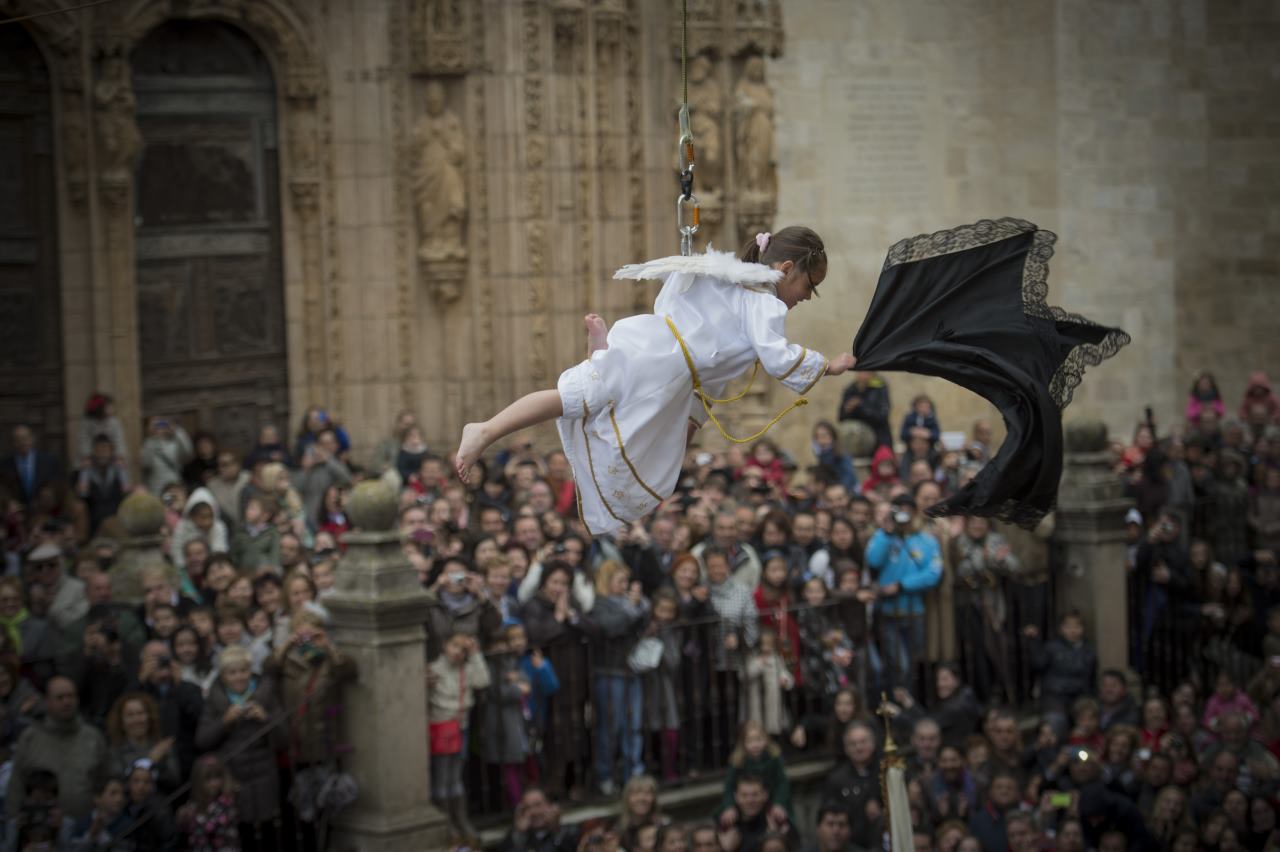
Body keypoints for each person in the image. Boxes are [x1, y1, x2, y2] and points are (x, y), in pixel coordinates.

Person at [454, 228, 856, 535]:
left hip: (665, 358)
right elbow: (777, 355)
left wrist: (697, 414)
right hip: (659, 361)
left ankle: (601, 351)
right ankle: (485, 429)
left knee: (644, 440)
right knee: (577, 396)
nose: (807, 297)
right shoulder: (764, 302)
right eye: (809, 285)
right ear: (785, 270)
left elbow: (712, 363)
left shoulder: (731, 284)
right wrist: (827, 366)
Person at [194, 645, 284, 852]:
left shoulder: (266, 695)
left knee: (268, 833)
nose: (239, 677)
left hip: (263, 777)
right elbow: (202, 740)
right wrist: (224, 722)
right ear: (224, 676)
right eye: (232, 673)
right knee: (241, 835)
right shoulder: (214, 701)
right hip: (232, 779)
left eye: (243, 671)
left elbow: (284, 739)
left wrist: (266, 719)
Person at [865, 493, 942, 691]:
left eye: (908, 511)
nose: (904, 516)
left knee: (916, 662)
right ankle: (900, 703)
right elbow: (873, 561)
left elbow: (933, 573)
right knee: (900, 664)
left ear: (915, 513)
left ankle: (913, 703)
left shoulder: (927, 540)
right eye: (900, 511)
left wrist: (902, 585)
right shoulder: (882, 536)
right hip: (889, 614)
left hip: (915, 611)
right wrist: (886, 533)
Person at [6, 676, 109, 822]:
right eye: (60, 697)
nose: (66, 702)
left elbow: (105, 781)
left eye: (70, 696)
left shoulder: (93, 737)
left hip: (86, 829)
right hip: (42, 833)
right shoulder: (31, 738)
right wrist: (13, 822)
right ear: (47, 701)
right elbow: (16, 785)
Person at [176, 754, 241, 852]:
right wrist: (183, 818)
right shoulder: (194, 803)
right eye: (208, 778)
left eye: (217, 777)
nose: (214, 783)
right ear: (198, 781)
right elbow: (187, 830)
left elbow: (215, 828)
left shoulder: (226, 801)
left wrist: (194, 817)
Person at [498, 787, 580, 852]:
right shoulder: (517, 837)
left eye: (538, 805)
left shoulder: (570, 831)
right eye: (527, 808)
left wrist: (556, 830)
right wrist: (519, 833)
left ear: (551, 805)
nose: (533, 812)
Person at [1, 425, 62, 508]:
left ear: (32, 439)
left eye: (25, 438)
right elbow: (3, 488)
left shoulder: (48, 462)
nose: (23, 442)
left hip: (43, 512)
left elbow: (56, 485)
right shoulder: (5, 464)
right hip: (16, 514)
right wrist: (8, 501)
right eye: (18, 439)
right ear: (13, 443)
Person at [139, 415, 193, 496]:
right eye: (153, 424)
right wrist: (152, 438)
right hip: (156, 490)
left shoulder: (174, 444)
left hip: (174, 486)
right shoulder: (147, 445)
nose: (157, 427)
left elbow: (188, 452)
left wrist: (177, 431)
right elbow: (145, 463)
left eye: (159, 423)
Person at [838, 372, 892, 450]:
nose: (861, 374)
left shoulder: (880, 388)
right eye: (859, 371)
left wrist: (860, 406)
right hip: (856, 443)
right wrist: (848, 410)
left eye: (865, 371)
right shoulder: (851, 389)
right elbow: (841, 418)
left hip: (879, 440)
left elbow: (882, 416)